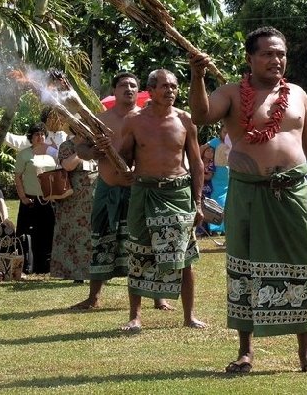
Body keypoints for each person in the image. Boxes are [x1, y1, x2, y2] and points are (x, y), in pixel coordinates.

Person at [188, 26, 307, 374]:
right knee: (243, 269)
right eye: (267, 53)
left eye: (280, 53)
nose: (275, 59)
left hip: (293, 191)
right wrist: (198, 76)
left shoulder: (297, 94)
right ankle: (245, 352)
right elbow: (201, 116)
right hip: (248, 192)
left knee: (302, 264)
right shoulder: (231, 93)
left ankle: (306, 353)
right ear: (250, 59)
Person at [70, 72, 174, 311]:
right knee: (102, 240)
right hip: (107, 188)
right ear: (114, 90)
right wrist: (94, 151)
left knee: (147, 242)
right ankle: (94, 297)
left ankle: (158, 296)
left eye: (133, 85)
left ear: (139, 91)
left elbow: (155, 151)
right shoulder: (98, 119)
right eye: (123, 85)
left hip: (139, 189)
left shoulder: (146, 119)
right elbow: (82, 149)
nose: (128, 89)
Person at [117, 69, 207, 331]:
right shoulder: (134, 121)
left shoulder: (185, 120)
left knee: (185, 254)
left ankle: (189, 316)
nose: (171, 91)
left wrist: (198, 202)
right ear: (151, 90)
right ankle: (135, 316)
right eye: (165, 87)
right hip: (145, 192)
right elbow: (124, 159)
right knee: (139, 252)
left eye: (175, 87)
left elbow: (197, 163)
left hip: (178, 192)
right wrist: (115, 160)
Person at [50, 131, 98, 282]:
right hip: (73, 202)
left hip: (94, 198)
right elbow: (68, 166)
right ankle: (76, 273)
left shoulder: (94, 145)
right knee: (73, 236)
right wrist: (82, 151)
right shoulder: (67, 146)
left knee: (93, 235)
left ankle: (95, 272)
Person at [14, 122, 58, 274]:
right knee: (28, 233)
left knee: (48, 232)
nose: (40, 137)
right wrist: (22, 197)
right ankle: (27, 265)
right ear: (31, 138)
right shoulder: (24, 154)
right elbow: (18, 177)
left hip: (49, 199)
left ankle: (45, 266)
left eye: (42, 134)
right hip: (30, 199)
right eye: (36, 135)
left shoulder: (52, 152)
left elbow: (59, 172)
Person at [204, 123, 230, 235]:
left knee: (227, 202)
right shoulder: (215, 142)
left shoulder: (234, 142)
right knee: (216, 201)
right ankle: (215, 228)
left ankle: (224, 228)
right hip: (216, 176)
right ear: (221, 132)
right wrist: (203, 162)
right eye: (225, 132)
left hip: (229, 176)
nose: (227, 135)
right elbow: (201, 148)